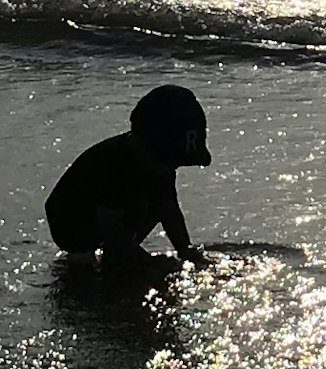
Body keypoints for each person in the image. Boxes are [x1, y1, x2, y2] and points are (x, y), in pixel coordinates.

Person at [45, 83, 212, 262]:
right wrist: (147, 262)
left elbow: (170, 210)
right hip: (71, 222)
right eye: (168, 159)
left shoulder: (159, 164)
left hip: (115, 211)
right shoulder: (116, 164)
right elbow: (110, 227)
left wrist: (185, 250)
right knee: (108, 247)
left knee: (160, 203)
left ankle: (123, 254)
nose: (170, 168)